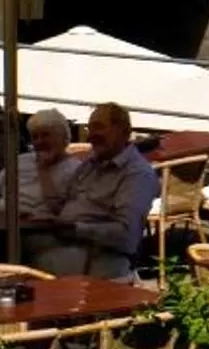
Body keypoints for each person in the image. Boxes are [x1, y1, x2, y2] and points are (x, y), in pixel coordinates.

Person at [36, 102, 158, 280]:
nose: (91, 136)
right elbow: (66, 205)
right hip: (62, 244)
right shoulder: (91, 164)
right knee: (5, 240)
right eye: (90, 128)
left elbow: (127, 235)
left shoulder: (138, 174)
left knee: (17, 261)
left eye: (99, 127)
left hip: (98, 258)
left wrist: (76, 229)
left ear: (124, 131)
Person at [0, 108, 80, 231]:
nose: (39, 141)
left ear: (63, 137)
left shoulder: (75, 169)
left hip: (36, 230)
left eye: (45, 135)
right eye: (35, 137)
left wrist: (43, 169)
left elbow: (59, 210)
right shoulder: (21, 160)